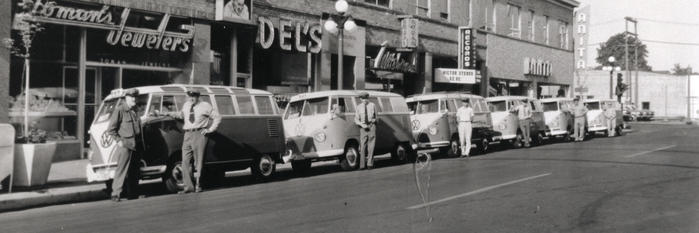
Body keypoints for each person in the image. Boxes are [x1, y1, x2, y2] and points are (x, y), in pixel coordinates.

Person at [156, 90, 221, 193]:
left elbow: (217, 117)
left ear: (198, 96)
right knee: (185, 161)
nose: (191, 99)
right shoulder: (186, 105)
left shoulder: (205, 106)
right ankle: (188, 187)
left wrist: (210, 129)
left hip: (199, 134)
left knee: (199, 162)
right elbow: (181, 115)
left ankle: (198, 185)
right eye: (189, 96)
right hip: (187, 134)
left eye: (194, 96)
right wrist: (166, 113)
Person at [106, 88, 143, 202]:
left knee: (134, 170)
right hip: (125, 144)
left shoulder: (135, 110)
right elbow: (111, 129)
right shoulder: (120, 110)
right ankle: (115, 194)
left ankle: (133, 193)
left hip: (136, 144)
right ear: (126, 98)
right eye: (132, 97)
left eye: (135, 97)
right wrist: (119, 141)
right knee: (121, 170)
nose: (134, 99)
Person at [354, 92, 377, 170]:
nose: (364, 100)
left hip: (371, 126)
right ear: (360, 99)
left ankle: (370, 164)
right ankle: (362, 165)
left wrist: (374, 121)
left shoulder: (373, 105)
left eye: (365, 98)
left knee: (371, 146)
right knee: (362, 147)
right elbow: (356, 119)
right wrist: (361, 124)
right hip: (363, 128)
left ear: (368, 98)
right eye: (362, 99)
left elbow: (377, 117)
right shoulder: (358, 107)